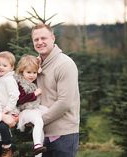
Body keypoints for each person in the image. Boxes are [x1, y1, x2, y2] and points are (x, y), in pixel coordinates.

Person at [31, 23, 80, 157]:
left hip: (64, 135)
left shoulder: (65, 64)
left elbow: (64, 102)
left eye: (43, 38)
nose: (40, 42)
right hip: (43, 135)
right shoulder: (34, 66)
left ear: (53, 38)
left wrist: (38, 120)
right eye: (36, 39)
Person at [15, 55, 48, 156]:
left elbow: (37, 68)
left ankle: (39, 152)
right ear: (21, 71)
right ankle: (37, 145)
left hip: (34, 109)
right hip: (25, 111)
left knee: (44, 118)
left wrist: (39, 64)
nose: (32, 75)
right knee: (38, 121)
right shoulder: (20, 84)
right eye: (28, 72)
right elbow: (20, 100)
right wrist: (34, 94)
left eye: (34, 73)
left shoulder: (31, 83)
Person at [0, 51, 20, 157]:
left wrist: (7, 109)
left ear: (11, 67)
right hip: (0, 110)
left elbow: (15, 95)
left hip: (9, 110)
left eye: (4, 65)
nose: (1, 67)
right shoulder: (0, 78)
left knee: (2, 126)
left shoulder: (9, 79)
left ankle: (7, 147)